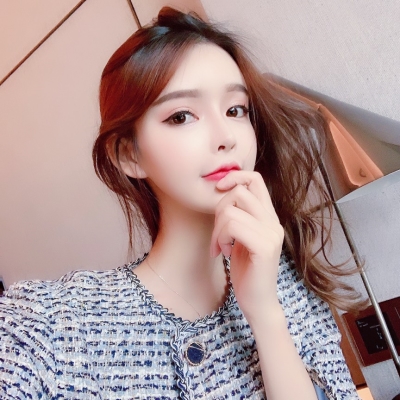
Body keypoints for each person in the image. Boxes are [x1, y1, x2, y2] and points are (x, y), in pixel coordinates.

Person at [0, 7, 363, 400]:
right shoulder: (53, 325)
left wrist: (266, 315)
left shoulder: (288, 278)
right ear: (128, 154)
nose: (226, 136)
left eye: (235, 109)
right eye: (182, 116)